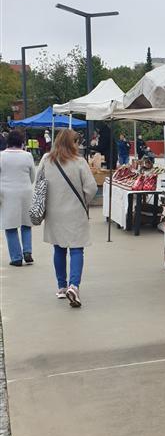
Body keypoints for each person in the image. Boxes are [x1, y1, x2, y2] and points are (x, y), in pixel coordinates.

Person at [39, 128, 98, 307]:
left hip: (54, 212)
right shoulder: (79, 162)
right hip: (75, 212)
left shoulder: (46, 160)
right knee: (76, 249)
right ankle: (74, 285)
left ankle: (61, 286)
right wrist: (83, 201)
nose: (78, 145)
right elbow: (92, 188)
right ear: (71, 143)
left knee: (59, 249)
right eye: (76, 142)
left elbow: (39, 184)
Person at [0, 129, 35, 266]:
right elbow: (33, 176)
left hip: (7, 193)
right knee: (26, 223)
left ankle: (16, 257)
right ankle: (27, 251)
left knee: (10, 226)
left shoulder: (1, 156)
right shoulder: (27, 156)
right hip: (25, 191)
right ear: (22, 141)